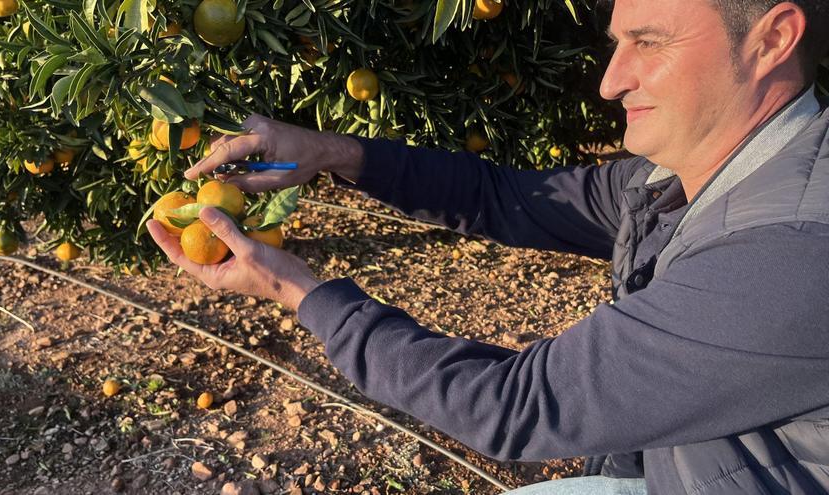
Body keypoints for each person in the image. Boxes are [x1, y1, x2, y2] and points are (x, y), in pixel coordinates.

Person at [147, 0, 829, 493]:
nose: (610, 80)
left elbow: (515, 405)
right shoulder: (691, 175)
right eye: (619, 42)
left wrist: (298, 290)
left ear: (773, 39)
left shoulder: (791, 253)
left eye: (649, 42)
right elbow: (510, 199)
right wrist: (327, 152)